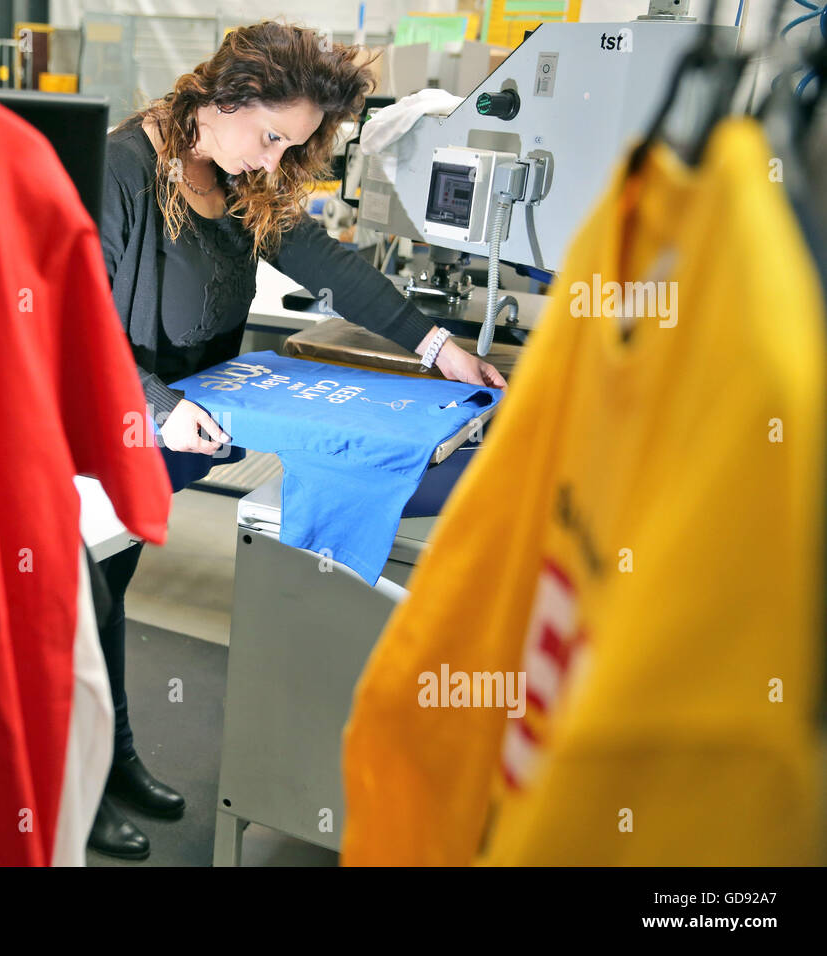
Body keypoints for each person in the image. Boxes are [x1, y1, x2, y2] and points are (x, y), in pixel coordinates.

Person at [90, 20, 507, 860]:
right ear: (222, 98)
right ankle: (81, 784)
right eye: (271, 136)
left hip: (165, 436)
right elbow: (78, 326)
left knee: (111, 593)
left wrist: (436, 346)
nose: (275, 160)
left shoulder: (241, 177)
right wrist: (158, 406)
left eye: (295, 146)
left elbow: (327, 262)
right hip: (99, 427)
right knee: (78, 603)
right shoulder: (125, 170)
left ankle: (111, 760)